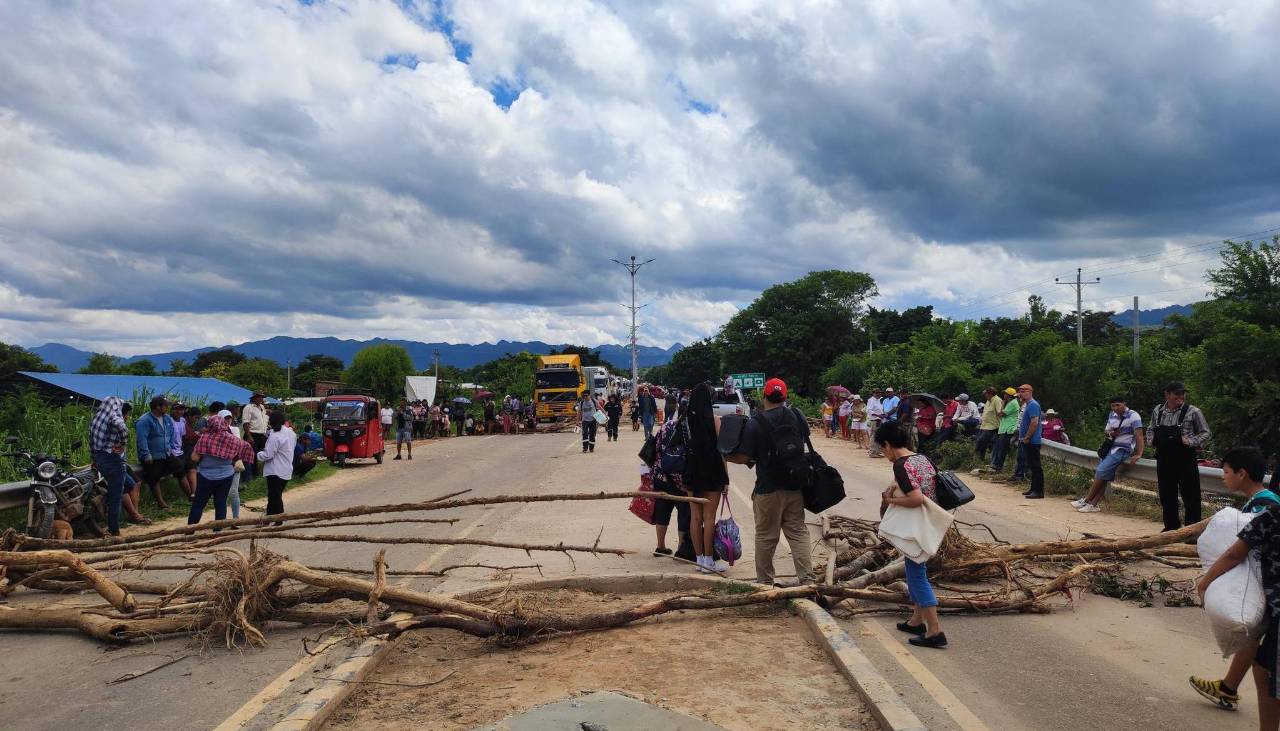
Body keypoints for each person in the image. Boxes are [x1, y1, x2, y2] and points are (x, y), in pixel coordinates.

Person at [1189, 446, 1280, 712]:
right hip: (1269, 586)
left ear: (1242, 474)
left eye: (1226, 471)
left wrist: (1207, 581)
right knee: (1252, 636)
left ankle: (1229, 688)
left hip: (1271, 587)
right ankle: (1229, 688)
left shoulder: (1267, 507)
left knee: (1259, 653)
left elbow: (1236, 553)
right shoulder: (1263, 502)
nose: (1222, 477)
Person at [727, 378, 812, 586]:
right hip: (795, 484)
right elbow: (804, 440)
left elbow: (744, 457)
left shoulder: (757, 422)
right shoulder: (798, 415)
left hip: (768, 487)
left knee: (766, 536)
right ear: (785, 397)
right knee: (798, 531)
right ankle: (808, 579)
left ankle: (765, 583)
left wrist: (724, 456)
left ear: (763, 396)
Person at [874, 420, 948, 648]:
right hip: (930, 523)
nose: (883, 453)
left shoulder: (901, 464)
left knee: (917, 575)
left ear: (888, 444)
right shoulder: (921, 458)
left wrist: (890, 500)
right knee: (914, 567)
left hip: (917, 526)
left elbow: (915, 498)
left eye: (882, 448)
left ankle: (935, 630)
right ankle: (916, 620)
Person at [1149, 382, 1213, 532]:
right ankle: (1170, 527)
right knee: (1166, 494)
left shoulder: (1193, 411)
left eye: (1182, 393)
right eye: (1177, 393)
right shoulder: (1158, 410)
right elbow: (1151, 428)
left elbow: (1206, 433)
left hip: (1185, 458)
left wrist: (1190, 441)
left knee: (1191, 496)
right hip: (1164, 458)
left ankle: (1191, 531)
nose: (1180, 396)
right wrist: (1150, 441)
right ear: (1167, 394)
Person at [685, 382, 731, 575]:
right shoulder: (716, 421)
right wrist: (726, 478)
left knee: (695, 517)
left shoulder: (684, 420)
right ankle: (709, 561)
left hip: (691, 472)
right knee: (709, 518)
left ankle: (699, 560)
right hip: (712, 473)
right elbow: (723, 453)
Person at [1074, 397, 1144, 512]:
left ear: (1124, 404)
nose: (1115, 408)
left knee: (1101, 472)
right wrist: (1112, 433)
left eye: (1118, 405)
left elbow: (1139, 435)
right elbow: (1106, 431)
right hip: (1110, 447)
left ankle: (1087, 500)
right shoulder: (1112, 414)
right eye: (1113, 406)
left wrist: (1139, 453)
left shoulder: (1133, 415)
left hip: (1122, 448)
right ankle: (1093, 504)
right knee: (1104, 476)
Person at [188, 414, 253, 526]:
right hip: (226, 476)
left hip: (205, 476)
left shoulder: (205, 438)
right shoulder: (232, 439)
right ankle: (218, 529)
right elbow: (240, 452)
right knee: (221, 502)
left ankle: (190, 531)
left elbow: (194, 458)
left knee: (198, 504)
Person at [89, 396, 130, 536]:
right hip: (113, 460)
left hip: (100, 459)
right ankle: (114, 529)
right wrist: (123, 444)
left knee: (127, 485)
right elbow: (123, 429)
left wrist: (94, 460)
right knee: (115, 497)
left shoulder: (96, 420)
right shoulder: (114, 417)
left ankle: (101, 501)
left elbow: (91, 442)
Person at [135, 395, 179, 510]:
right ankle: (161, 502)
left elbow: (170, 433)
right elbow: (142, 439)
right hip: (152, 455)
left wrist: (170, 447)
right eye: (165, 405)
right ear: (158, 407)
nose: (167, 407)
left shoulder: (167, 418)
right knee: (153, 477)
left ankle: (157, 476)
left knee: (179, 465)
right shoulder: (144, 420)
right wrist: (146, 454)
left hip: (166, 453)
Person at [257, 411, 297, 525]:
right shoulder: (291, 433)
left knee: (275, 496)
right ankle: (267, 520)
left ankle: (279, 518)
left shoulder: (275, 436)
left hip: (275, 470)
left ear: (271, 422)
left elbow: (268, 455)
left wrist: (258, 454)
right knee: (274, 495)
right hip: (286, 468)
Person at [1014, 385, 1045, 499]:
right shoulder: (1027, 405)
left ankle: (1039, 491)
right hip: (1028, 441)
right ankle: (1033, 489)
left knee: (1036, 466)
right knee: (1032, 466)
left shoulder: (1033, 405)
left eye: (1023, 391)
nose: (1021, 394)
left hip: (1032, 441)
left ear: (1030, 392)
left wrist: (1027, 437)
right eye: (1020, 392)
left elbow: (1034, 422)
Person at [241, 392, 270, 480]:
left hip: (262, 434)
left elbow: (262, 420)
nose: (261, 399)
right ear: (254, 398)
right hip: (252, 434)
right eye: (260, 397)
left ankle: (264, 472)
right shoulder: (248, 408)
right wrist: (249, 436)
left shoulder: (261, 407)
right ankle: (254, 475)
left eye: (262, 397)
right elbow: (245, 423)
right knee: (252, 456)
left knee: (265, 452)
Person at [990, 387, 1019, 472]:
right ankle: (996, 464)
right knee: (999, 446)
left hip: (1008, 428)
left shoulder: (1013, 403)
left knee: (1002, 448)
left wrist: (1002, 403)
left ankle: (998, 466)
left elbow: (1000, 414)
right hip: (1005, 428)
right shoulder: (1010, 403)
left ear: (1008, 395)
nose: (1003, 395)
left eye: (1005, 394)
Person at [976, 387, 1003, 461]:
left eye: (986, 394)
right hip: (984, 425)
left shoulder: (997, 400)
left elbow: (1000, 413)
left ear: (990, 394)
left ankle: (980, 459)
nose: (984, 395)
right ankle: (979, 459)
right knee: (979, 442)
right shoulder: (988, 401)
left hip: (992, 426)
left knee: (982, 441)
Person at [866, 388, 885, 457]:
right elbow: (869, 410)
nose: (879, 394)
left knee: (878, 436)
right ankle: (872, 452)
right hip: (875, 420)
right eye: (877, 393)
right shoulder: (871, 400)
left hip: (880, 420)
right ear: (874, 393)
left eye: (879, 392)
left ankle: (877, 452)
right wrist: (878, 415)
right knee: (873, 436)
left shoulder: (880, 400)